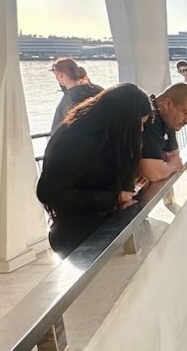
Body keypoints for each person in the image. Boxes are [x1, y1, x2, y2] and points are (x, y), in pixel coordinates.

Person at [37, 84, 152, 257]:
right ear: (122, 119)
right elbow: (48, 193)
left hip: (103, 225)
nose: (141, 130)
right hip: (79, 236)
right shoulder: (76, 141)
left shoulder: (107, 137)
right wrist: (114, 198)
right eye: (138, 124)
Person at [138, 83, 187, 182]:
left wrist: (165, 165)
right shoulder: (150, 119)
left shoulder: (167, 119)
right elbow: (153, 173)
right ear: (167, 103)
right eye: (186, 113)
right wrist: (172, 166)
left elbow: (174, 155)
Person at [49, 58, 103, 131]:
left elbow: (57, 131)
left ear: (60, 74)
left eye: (56, 75)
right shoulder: (98, 90)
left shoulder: (68, 99)